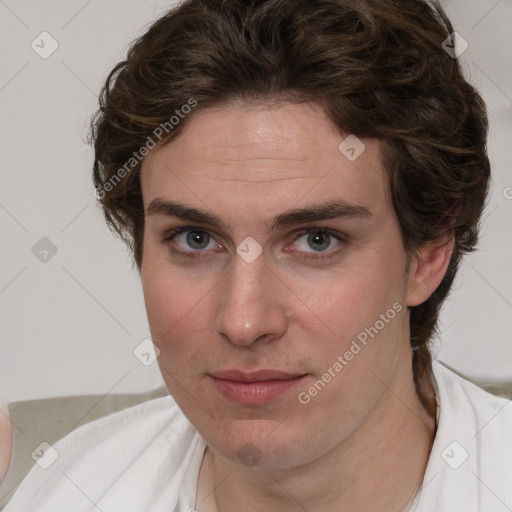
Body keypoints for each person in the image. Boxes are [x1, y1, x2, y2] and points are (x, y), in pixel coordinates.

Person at [4, 0, 512, 511]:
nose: (244, 322)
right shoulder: (66, 490)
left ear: (428, 253)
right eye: (195, 239)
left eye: (317, 240)